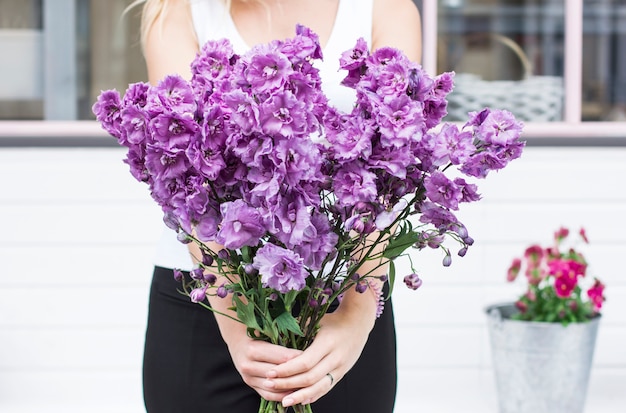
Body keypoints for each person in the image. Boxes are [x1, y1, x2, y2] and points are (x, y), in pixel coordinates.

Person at [137, 0, 422, 411]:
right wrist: (240, 328)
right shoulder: (178, 10)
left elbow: (391, 174)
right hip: (208, 304)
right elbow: (186, 180)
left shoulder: (384, 9)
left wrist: (355, 320)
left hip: (345, 298)